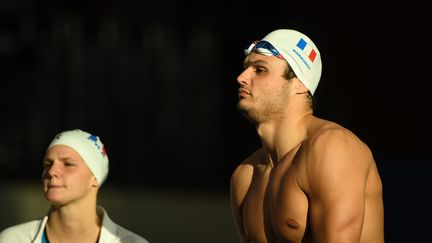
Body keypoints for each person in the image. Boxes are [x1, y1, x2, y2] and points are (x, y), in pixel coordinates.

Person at [230, 29, 384, 243]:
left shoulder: (332, 147)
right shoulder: (245, 176)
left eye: (260, 70)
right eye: (246, 68)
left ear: (300, 83)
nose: (241, 78)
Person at [0, 129, 149, 243]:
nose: (52, 172)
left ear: (95, 178)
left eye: (68, 164)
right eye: (47, 164)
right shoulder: (12, 239)